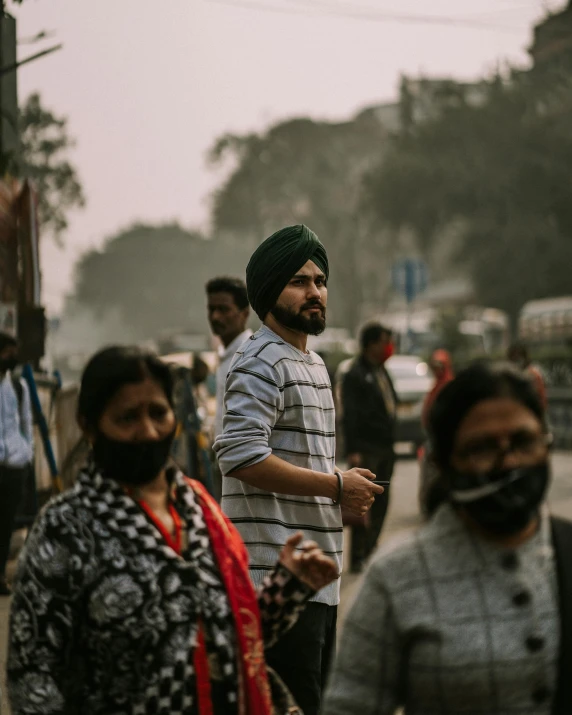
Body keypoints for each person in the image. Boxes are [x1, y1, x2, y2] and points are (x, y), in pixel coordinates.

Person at [7, 345, 339, 715]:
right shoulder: (64, 528)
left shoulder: (200, 511)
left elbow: (227, 643)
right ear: (89, 426)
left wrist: (285, 588)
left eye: (158, 413)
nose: (147, 431)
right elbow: (32, 677)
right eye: (127, 417)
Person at [324, 361, 572, 715]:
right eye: (482, 448)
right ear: (445, 464)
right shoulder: (395, 579)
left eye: (523, 441)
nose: (509, 462)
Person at [214, 225, 383, 715]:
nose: (314, 292)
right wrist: (335, 485)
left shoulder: (312, 363)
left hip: (318, 579)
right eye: (299, 281)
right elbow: (240, 454)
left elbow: (297, 457)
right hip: (275, 582)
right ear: (269, 292)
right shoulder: (259, 360)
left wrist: (346, 487)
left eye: (320, 280)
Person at [340, 322, 397, 571]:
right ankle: (359, 555)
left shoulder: (381, 371)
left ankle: (372, 548)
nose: (388, 347)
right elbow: (349, 415)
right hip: (366, 447)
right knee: (363, 502)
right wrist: (353, 449)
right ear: (371, 344)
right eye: (384, 341)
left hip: (385, 447)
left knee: (383, 499)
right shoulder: (355, 374)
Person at [206, 276, 252, 500]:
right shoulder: (226, 354)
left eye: (224, 309)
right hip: (224, 461)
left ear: (244, 313)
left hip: (243, 465)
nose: (215, 317)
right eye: (212, 309)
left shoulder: (249, 355)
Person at [0, 332, 33, 596]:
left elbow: (26, 423)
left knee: (6, 523)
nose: (11, 358)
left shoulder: (18, 387)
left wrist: (26, 453)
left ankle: (0, 575)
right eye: (7, 352)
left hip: (13, 465)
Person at [418, 348, 455, 518]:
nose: (436, 369)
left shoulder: (448, 386)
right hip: (432, 438)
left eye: (440, 365)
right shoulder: (436, 385)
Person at [508, 341, 547, 410]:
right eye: (514, 356)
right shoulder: (507, 375)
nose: (517, 359)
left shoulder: (533, 375)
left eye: (519, 355)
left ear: (525, 357)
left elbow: (541, 398)